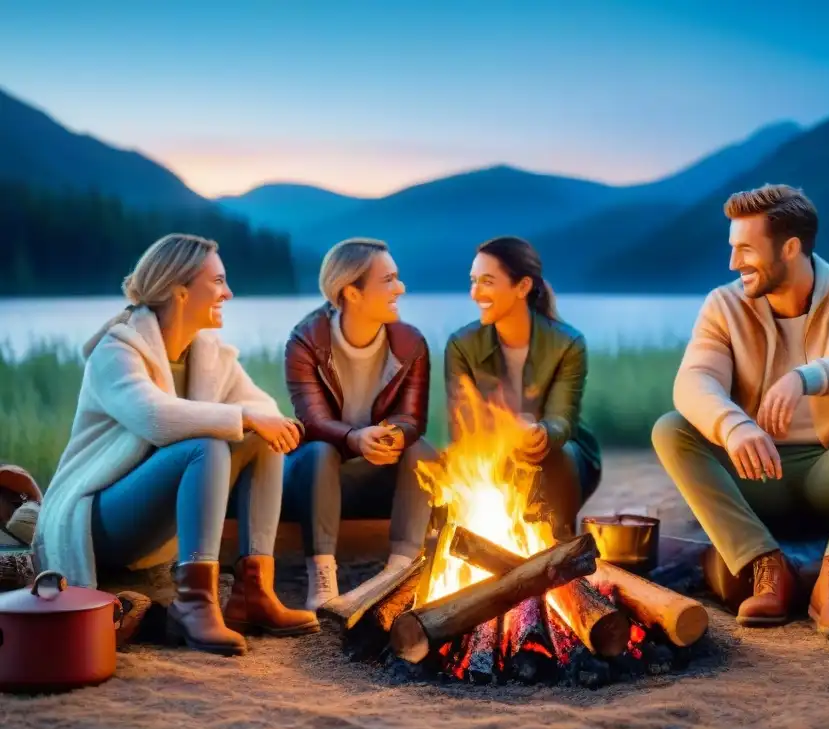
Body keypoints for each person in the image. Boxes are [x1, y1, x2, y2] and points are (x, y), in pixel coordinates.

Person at [652, 184, 829, 645]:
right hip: (756, 472)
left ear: (791, 247)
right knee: (673, 428)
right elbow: (692, 381)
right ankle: (765, 567)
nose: (734, 263)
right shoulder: (725, 305)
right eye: (732, 249)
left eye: (745, 250)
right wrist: (733, 425)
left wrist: (809, 376)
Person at [33, 233, 319, 657]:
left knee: (261, 439)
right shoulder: (117, 350)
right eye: (219, 281)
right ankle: (195, 604)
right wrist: (241, 417)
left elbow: (263, 408)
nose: (229, 292)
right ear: (181, 290)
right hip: (98, 521)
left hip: (154, 524)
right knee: (208, 442)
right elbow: (156, 418)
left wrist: (257, 420)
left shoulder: (211, 353)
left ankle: (253, 592)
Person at [283, 238, 434, 611]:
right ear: (351, 291)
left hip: (377, 476)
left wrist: (394, 435)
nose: (400, 288)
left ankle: (399, 571)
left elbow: (413, 418)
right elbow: (313, 421)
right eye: (389, 280)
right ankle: (323, 579)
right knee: (317, 451)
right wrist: (354, 438)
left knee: (422, 450)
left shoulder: (410, 342)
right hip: (316, 479)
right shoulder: (306, 341)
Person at [444, 236, 602, 541]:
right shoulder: (461, 345)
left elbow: (562, 418)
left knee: (559, 454)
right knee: (453, 464)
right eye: (473, 281)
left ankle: (559, 544)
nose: (475, 293)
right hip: (492, 452)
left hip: (556, 456)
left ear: (522, 287)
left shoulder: (567, 343)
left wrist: (541, 432)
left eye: (487, 282)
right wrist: (502, 435)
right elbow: (462, 423)